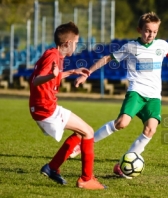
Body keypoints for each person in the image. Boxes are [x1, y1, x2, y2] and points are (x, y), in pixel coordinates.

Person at [74, 12, 168, 178]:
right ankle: (84, 144)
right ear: (139, 29)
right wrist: (87, 73)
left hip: (154, 97)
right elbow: (108, 58)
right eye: (147, 30)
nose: (150, 34)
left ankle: (124, 163)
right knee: (122, 123)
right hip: (136, 92)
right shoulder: (130, 47)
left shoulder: (162, 46)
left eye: (154, 31)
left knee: (151, 129)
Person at [28, 22, 106, 189]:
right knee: (88, 132)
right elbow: (37, 80)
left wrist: (69, 73)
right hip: (46, 108)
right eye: (76, 42)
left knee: (80, 133)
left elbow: (48, 75)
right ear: (68, 43)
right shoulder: (53, 56)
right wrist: (52, 76)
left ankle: (52, 168)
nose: (77, 46)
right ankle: (86, 179)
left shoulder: (52, 54)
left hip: (43, 107)